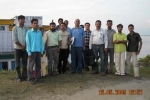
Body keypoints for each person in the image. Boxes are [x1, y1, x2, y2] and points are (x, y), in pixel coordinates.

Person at [26, 19, 44, 85]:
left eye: (36, 23)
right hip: (32, 52)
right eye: (34, 23)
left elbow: (41, 42)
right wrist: (29, 52)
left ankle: (38, 78)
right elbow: (28, 43)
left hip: (38, 51)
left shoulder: (39, 32)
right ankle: (30, 79)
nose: (36, 24)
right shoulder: (29, 32)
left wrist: (42, 51)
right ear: (32, 24)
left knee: (38, 66)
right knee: (30, 66)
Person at [12, 15, 28, 82]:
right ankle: (19, 77)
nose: (22, 20)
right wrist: (21, 46)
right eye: (21, 19)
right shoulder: (15, 28)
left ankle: (24, 76)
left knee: (25, 63)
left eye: (23, 19)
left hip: (25, 49)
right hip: (17, 49)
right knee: (17, 64)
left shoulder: (26, 28)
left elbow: (28, 38)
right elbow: (15, 39)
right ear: (18, 20)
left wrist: (25, 46)